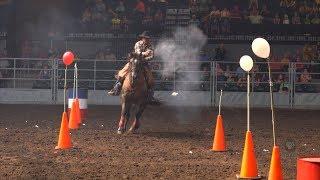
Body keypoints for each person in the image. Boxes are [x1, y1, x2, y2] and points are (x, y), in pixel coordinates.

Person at [108, 31, 159, 104]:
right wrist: (144, 53)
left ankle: (151, 95)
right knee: (123, 71)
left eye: (148, 38)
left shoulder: (151, 45)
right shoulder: (138, 43)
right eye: (146, 38)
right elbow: (137, 53)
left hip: (144, 63)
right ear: (143, 38)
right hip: (134, 61)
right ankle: (116, 87)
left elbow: (151, 56)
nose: (147, 40)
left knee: (151, 78)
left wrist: (144, 58)